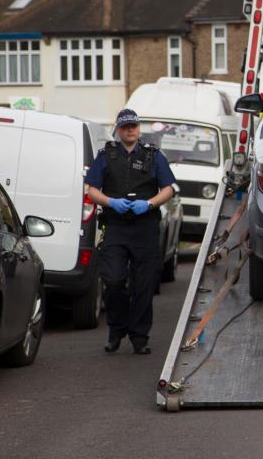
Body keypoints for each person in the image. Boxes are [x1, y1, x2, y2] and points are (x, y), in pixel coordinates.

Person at [86, 108, 176, 354]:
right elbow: (91, 189)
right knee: (113, 280)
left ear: (139, 129)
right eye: (125, 126)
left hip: (145, 227)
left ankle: (139, 337)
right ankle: (117, 328)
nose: (130, 130)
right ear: (118, 129)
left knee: (144, 285)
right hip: (116, 226)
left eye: (133, 126)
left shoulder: (153, 155)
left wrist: (149, 203)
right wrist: (110, 202)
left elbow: (168, 188)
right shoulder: (106, 155)